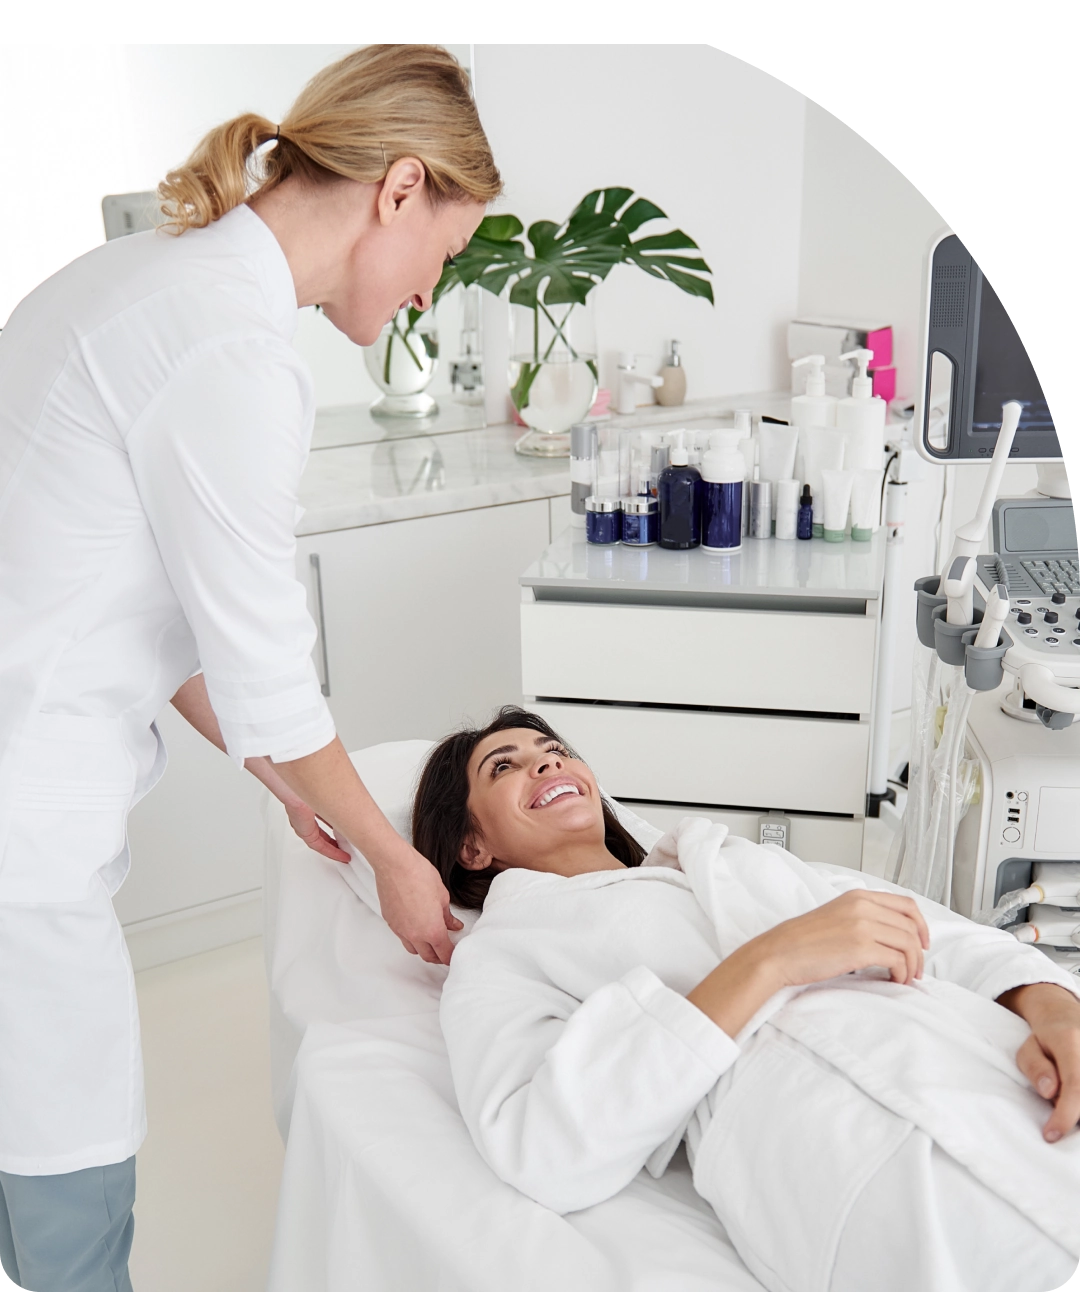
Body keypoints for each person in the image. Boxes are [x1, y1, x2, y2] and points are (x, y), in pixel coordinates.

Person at [0, 43, 499, 1292]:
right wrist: (390, 855)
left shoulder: (134, 279)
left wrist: (291, 785)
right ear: (398, 190)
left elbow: (148, 615)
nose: (434, 292)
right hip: (22, 844)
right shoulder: (232, 350)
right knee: (70, 1203)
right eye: (446, 251)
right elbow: (268, 666)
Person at [415, 707, 1080, 1291]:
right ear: (472, 845)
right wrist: (769, 961)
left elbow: (923, 929)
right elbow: (542, 1147)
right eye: (505, 766)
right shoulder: (504, 951)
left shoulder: (721, 858)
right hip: (848, 1169)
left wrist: (1053, 1006)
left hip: (996, 1076)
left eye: (553, 751)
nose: (545, 763)